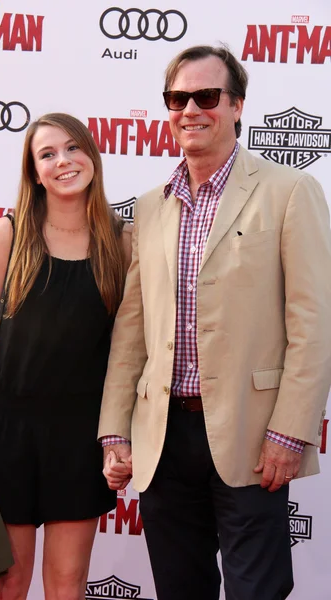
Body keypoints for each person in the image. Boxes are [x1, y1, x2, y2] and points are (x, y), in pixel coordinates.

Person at [98, 45, 331, 600]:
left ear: (237, 105)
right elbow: (133, 329)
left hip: (255, 437)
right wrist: (115, 430)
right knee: (181, 589)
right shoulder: (152, 205)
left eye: (206, 96)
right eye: (177, 98)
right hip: (164, 440)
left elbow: (314, 323)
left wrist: (290, 433)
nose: (190, 110)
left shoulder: (289, 192)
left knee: (258, 591)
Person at [0, 112, 132, 600]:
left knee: (67, 584)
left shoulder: (120, 241)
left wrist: (119, 436)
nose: (63, 161)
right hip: (7, 436)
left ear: (92, 156)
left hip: (81, 438)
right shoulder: (8, 234)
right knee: (9, 582)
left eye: (73, 148)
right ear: (34, 171)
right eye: (47, 154)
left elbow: (130, 352)